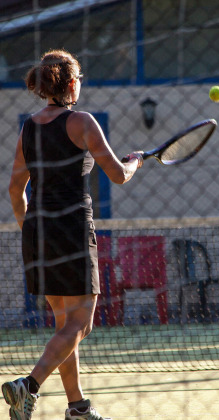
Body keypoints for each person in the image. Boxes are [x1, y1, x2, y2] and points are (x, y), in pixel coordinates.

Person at [3, 49, 144, 420]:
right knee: (81, 324)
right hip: (74, 232)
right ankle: (27, 386)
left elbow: (15, 189)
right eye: (79, 78)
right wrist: (137, 162)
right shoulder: (82, 122)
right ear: (69, 83)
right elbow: (118, 175)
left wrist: (30, 227)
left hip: (40, 233)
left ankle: (77, 407)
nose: (81, 84)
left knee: (65, 325)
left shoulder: (29, 127)